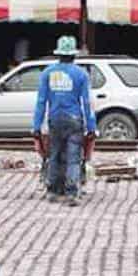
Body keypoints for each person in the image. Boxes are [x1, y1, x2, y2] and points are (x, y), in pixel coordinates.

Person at [31, 36, 96, 206]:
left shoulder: (47, 73)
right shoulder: (81, 74)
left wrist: (36, 127)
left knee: (54, 155)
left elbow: (41, 102)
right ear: (74, 55)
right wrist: (91, 127)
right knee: (73, 157)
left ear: (58, 54)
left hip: (55, 119)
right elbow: (87, 102)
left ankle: (52, 191)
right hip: (74, 120)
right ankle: (71, 193)